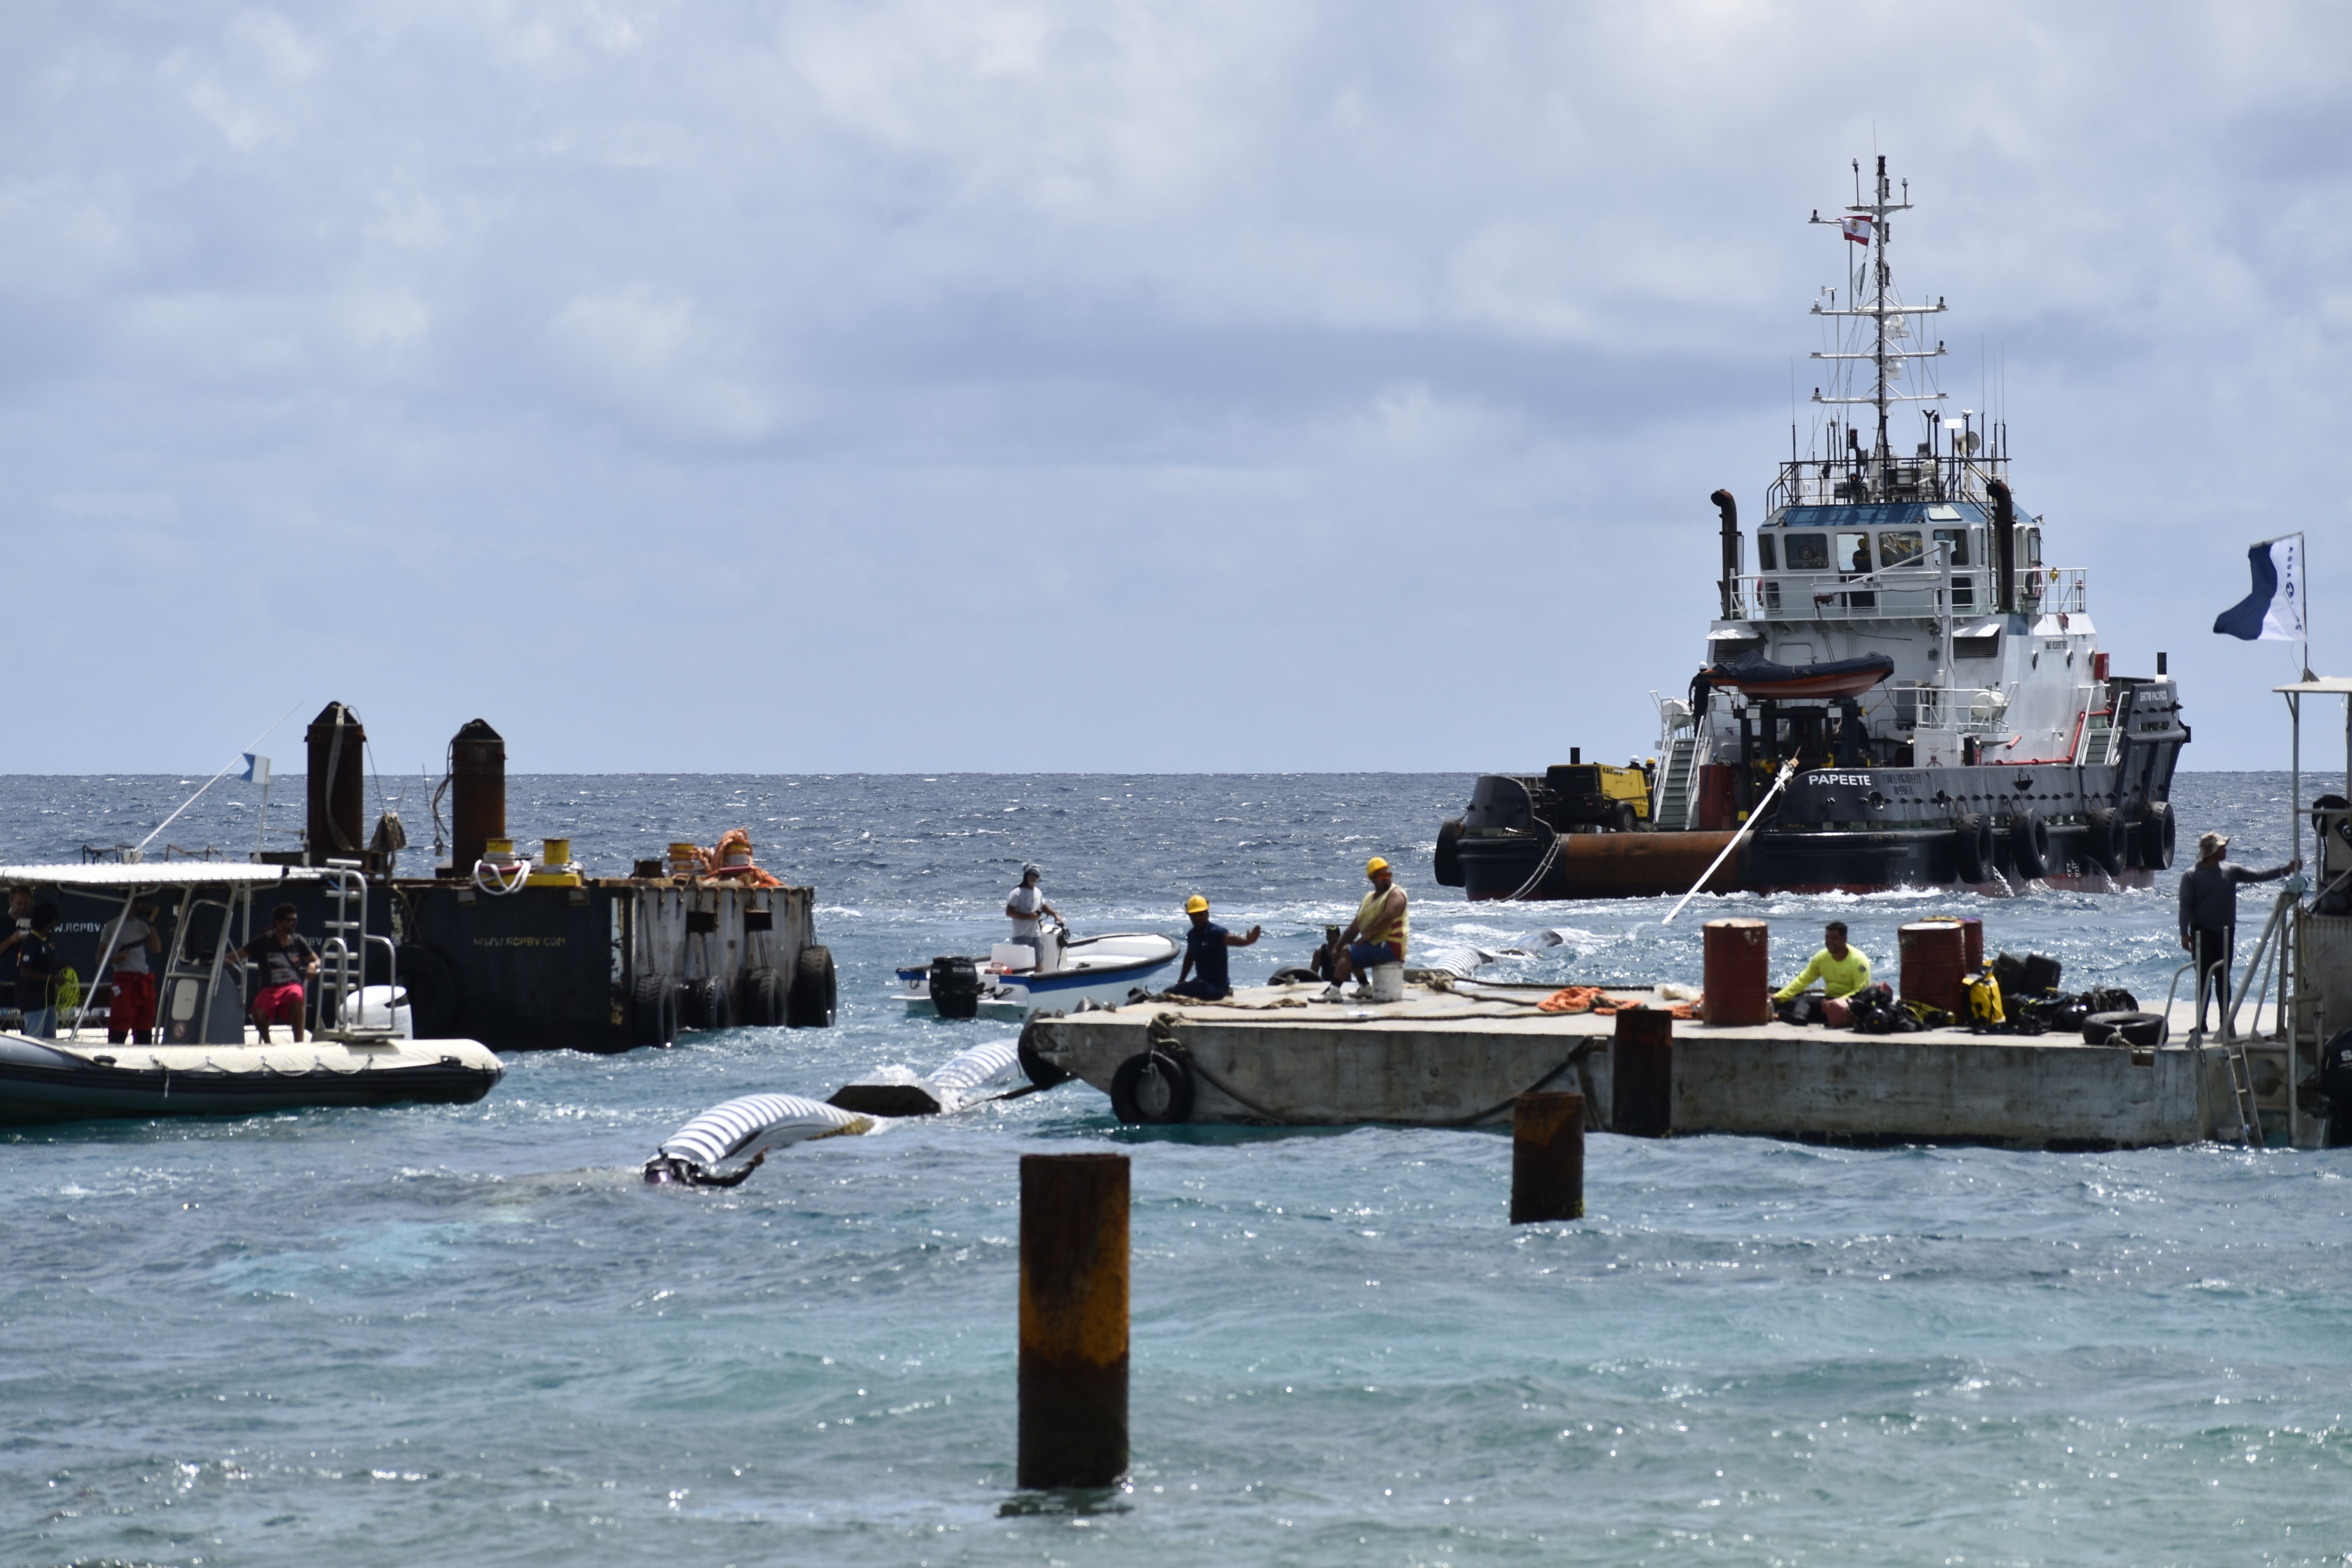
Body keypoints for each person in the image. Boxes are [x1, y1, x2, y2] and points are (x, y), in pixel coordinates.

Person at [2179, 831, 2300, 1032]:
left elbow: (2258, 876)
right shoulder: (2191, 876)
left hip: (2226, 933)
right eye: (2222, 847)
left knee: (2223, 979)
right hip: (2202, 934)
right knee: (2203, 980)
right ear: (2211, 850)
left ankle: (2226, 1024)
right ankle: (2201, 1023)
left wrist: (2285, 871)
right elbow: (2185, 906)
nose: (2225, 849)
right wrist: (2184, 933)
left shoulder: (2231, 870)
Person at [232, 902, 321, 1043]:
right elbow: (239, 955)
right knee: (258, 1013)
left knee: (297, 995)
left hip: (292, 986)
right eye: (290, 921)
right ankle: (267, 1043)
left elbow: (317, 960)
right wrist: (216, 961)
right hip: (270, 989)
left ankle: (299, 1043)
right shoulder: (264, 941)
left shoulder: (298, 941)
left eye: (295, 920)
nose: (294, 924)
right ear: (278, 923)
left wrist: (312, 965)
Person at [1330, 856, 1409, 992]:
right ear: (1372, 878)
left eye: (1388, 874)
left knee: (1348, 953)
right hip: (1375, 945)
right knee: (1349, 949)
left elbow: (1388, 917)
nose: (1386, 878)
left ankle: (1334, 991)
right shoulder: (1369, 898)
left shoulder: (1396, 894)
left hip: (1390, 946)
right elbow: (1354, 928)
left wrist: (1366, 937)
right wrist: (1337, 948)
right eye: (1382, 876)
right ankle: (1365, 987)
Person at [1169, 895, 1261, 1001]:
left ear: (1207, 914)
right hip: (1201, 982)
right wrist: (1182, 980)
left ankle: (1227, 991)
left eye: (1201, 915)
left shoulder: (1216, 932)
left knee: (1198, 988)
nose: (1198, 918)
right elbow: (1190, 956)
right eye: (1194, 916)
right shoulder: (1192, 935)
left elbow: (1231, 939)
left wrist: (1247, 942)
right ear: (1189, 916)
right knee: (1170, 992)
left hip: (1217, 987)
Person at [100, 898, 165, 1045]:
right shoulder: (112, 927)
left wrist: (152, 922)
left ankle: (144, 1059)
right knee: (121, 1022)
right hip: (125, 980)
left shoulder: (143, 926)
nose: (145, 905)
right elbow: (99, 958)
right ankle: (114, 1056)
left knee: (145, 1023)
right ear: (132, 903)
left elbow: (157, 948)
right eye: (142, 902)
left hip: (144, 980)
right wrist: (116, 959)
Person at [1773, 920, 1873, 1003]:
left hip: (1851, 1003)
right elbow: (1803, 980)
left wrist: (1837, 1002)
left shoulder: (1859, 960)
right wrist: (1779, 997)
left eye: (1834, 938)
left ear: (1845, 939)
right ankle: (1799, 1018)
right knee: (1801, 1001)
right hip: (1828, 1001)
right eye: (1827, 938)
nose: (1829, 942)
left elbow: (1860, 991)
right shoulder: (1821, 957)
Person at [14, 903, 65, 1038]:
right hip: (35, 1001)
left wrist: (63, 966)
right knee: (35, 1039)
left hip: (49, 1000)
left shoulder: (48, 939)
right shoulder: (31, 941)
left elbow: (46, 964)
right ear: (47, 920)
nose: (57, 922)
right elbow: (25, 972)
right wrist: (53, 979)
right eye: (55, 919)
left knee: (51, 1039)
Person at [1004, 864, 1061, 969]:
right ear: (1026, 876)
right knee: (1022, 965)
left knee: (1039, 963)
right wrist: (1028, 917)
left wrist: (1055, 915)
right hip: (1021, 935)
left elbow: (1043, 906)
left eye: (1036, 876)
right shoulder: (1017, 893)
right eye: (1031, 875)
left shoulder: (1038, 892)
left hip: (1036, 935)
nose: (1033, 878)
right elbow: (1009, 912)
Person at [0, 885, 31, 1017]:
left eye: (26, 904)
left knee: (28, 1029)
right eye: (19, 903)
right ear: (11, 901)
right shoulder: (2, 923)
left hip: (28, 985)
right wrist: (11, 940)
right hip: (4, 985)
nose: (22, 907)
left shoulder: (35, 923)